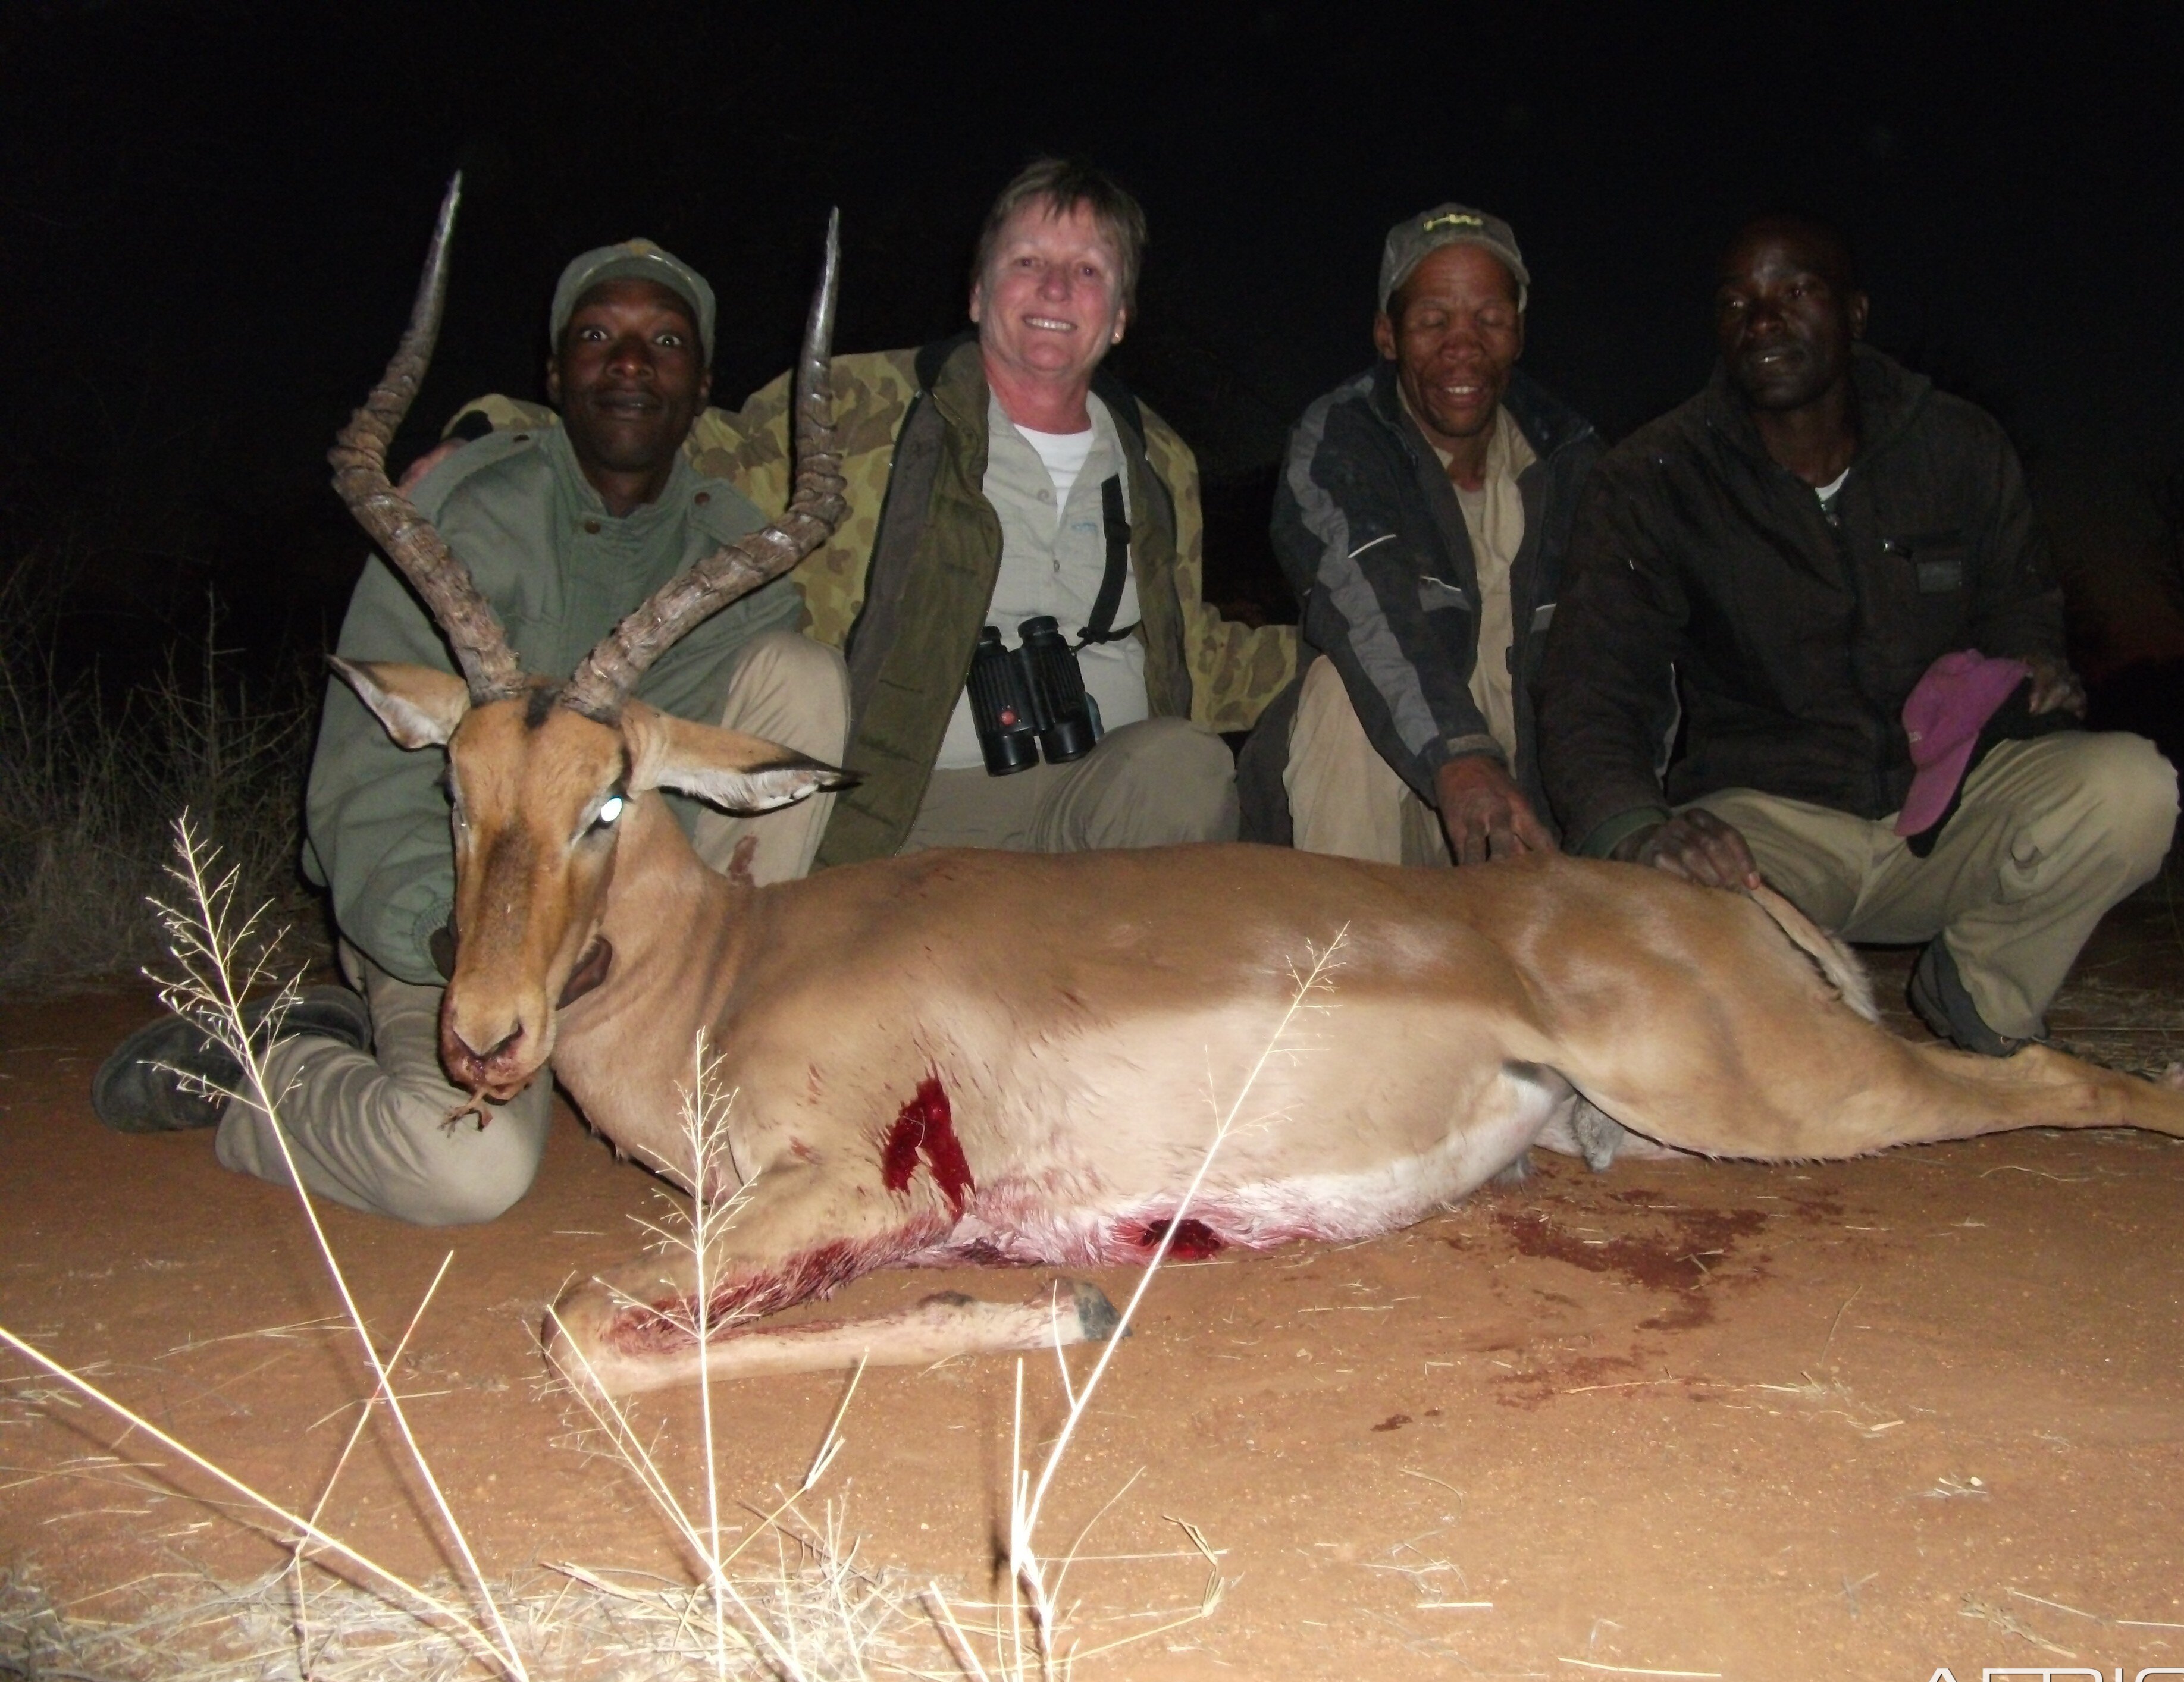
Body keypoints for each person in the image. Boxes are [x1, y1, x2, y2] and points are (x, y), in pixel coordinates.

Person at [92, 238, 848, 1223]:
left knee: (805, 678)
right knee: (466, 1173)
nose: (628, 362)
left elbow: (748, 763)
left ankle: (725, 1025)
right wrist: (464, 942)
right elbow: (359, 796)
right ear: (554, 373)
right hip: (453, 921)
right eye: (597, 337)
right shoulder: (452, 514)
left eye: (661, 341)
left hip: (622, 921)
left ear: (701, 384)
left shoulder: (731, 549)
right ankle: (264, 1071)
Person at [443, 159, 1296, 862]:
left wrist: (1344, 658)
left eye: (1088, 272)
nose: (1055, 289)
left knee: (1185, 765)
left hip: (1092, 805)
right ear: (976, 291)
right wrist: (497, 435)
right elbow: (677, 441)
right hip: (903, 809)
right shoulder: (863, 402)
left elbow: (1194, 647)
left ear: (1119, 317)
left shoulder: (1159, 459)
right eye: (1028, 261)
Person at [1534, 215, 2177, 1053]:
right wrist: (1636, 829)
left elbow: (2022, 608)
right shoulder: (1654, 476)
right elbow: (1592, 687)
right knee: (1705, 985)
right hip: (1769, 830)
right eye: (1737, 302)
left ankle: (1984, 994)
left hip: (1945, 812)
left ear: (1855, 314)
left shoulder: (1960, 445)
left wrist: (2038, 671)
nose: (1762, 321)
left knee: (2132, 787)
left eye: (1795, 292)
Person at [1243, 202, 1602, 865]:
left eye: (1489, 319)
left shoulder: (1576, 462)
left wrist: (1612, 831)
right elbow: (1371, 615)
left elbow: (1612, 668)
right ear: (1387, 335)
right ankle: (1348, 959)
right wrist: (1460, 758)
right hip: (1408, 808)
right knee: (1340, 694)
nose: (1461, 345)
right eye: (1432, 321)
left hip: (1531, 828)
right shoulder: (1342, 443)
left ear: (1518, 334)